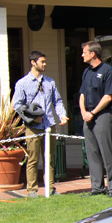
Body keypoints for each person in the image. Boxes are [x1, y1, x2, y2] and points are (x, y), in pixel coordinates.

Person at [12, 50, 68, 197]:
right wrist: (32, 117)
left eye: (45, 61)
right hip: (33, 127)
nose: (45, 64)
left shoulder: (50, 82)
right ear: (33, 62)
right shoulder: (22, 83)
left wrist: (62, 115)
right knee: (33, 159)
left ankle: (50, 188)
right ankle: (32, 190)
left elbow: (58, 101)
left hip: (50, 124)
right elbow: (17, 105)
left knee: (49, 158)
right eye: (42, 62)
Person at [79, 40, 112, 197]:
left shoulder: (108, 70)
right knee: (92, 153)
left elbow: (108, 97)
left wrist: (93, 113)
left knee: (106, 152)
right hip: (87, 116)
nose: (82, 55)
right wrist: (83, 112)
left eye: (84, 52)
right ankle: (97, 188)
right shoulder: (86, 72)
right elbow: (82, 94)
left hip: (102, 115)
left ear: (92, 53)